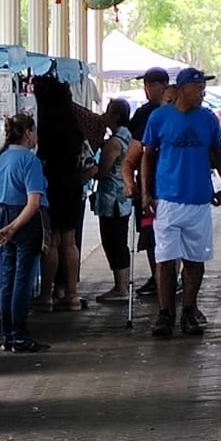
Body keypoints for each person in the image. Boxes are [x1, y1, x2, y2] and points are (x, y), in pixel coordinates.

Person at [141, 67, 221, 338]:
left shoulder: (208, 119)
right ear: (180, 90)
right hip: (167, 198)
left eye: (203, 88)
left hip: (199, 199)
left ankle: (189, 311)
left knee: (195, 259)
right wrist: (146, 192)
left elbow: (217, 152)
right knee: (166, 259)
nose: (202, 93)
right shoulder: (159, 118)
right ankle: (165, 313)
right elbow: (147, 155)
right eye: (197, 88)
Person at [0, 113, 51, 353]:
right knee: (23, 280)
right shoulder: (29, 161)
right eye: (34, 131)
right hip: (25, 220)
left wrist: (7, 226)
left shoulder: (0, 159)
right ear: (28, 133)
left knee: (8, 278)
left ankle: (8, 334)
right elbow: (34, 202)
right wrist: (15, 226)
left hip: (4, 214)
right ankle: (19, 334)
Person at [32, 75, 86, 311]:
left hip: (50, 185)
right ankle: (72, 294)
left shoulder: (43, 127)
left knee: (51, 241)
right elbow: (88, 160)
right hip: (72, 185)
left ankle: (47, 295)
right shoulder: (74, 127)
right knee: (69, 240)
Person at [123, 67, 169, 297]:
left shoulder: (161, 114)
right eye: (146, 85)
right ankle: (158, 276)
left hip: (166, 189)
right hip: (147, 188)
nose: (147, 90)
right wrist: (130, 182)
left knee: (164, 237)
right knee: (151, 235)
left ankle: (167, 277)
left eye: (151, 85)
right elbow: (133, 154)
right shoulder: (143, 114)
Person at [88, 98, 133, 301]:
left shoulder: (114, 143)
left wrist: (89, 169)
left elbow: (103, 171)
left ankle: (121, 286)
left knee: (113, 240)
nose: (103, 116)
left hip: (112, 198)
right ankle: (121, 284)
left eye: (107, 112)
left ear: (115, 116)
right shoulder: (126, 137)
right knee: (118, 240)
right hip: (122, 198)